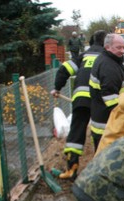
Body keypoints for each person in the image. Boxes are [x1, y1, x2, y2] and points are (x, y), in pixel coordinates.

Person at [51, 30, 106, 180]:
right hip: (98, 101)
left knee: (76, 132)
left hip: (80, 99)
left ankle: (72, 169)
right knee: (99, 133)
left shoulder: (83, 56)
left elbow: (64, 70)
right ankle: (100, 171)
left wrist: (57, 88)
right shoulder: (108, 57)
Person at [89, 34, 124, 153]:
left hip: (100, 121)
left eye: (123, 48)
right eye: (118, 48)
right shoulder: (109, 68)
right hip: (107, 126)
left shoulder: (106, 60)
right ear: (107, 47)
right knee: (106, 161)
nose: (122, 51)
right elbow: (112, 102)